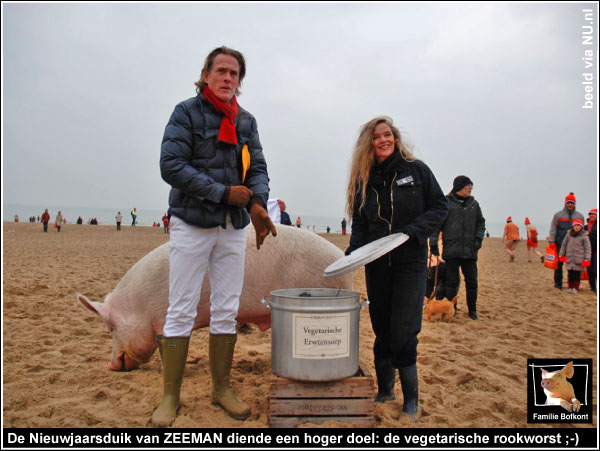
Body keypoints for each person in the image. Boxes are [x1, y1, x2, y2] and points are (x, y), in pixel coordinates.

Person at [155, 46, 276, 427]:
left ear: (240, 80)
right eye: (221, 71)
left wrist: (257, 204)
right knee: (181, 308)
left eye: (234, 73)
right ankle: (170, 396)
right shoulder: (185, 113)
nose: (228, 78)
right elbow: (171, 166)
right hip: (192, 223)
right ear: (206, 74)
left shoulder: (247, 121)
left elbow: (257, 167)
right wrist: (223, 193)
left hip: (232, 227)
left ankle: (221, 388)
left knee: (226, 308)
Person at [345, 116, 448, 418]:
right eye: (377, 137)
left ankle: (411, 400)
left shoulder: (416, 171)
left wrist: (415, 231)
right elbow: (361, 224)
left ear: (396, 137)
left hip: (409, 261)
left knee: (404, 330)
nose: (383, 140)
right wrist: (353, 254)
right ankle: (385, 388)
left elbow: (440, 206)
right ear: (370, 143)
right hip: (377, 262)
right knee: (382, 328)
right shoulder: (365, 178)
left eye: (388, 135)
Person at [430, 175, 485, 318]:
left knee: (472, 281)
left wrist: (478, 239)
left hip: (470, 250)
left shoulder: (474, 204)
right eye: (468, 186)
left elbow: (480, 222)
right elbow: (437, 224)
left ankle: (472, 311)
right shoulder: (447, 203)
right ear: (460, 186)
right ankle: (451, 309)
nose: (470, 189)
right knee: (451, 282)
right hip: (452, 250)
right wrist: (433, 242)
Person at [549, 193, 584, 290]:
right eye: (568, 202)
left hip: (574, 246)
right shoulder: (558, 215)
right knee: (558, 265)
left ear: (575, 204)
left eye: (572, 203)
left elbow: (582, 231)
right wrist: (551, 242)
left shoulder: (580, 216)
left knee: (573, 266)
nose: (570, 205)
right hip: (560, 244)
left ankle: (573, 285)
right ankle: (558, 284)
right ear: (565, 203)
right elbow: (553, 229)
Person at [559, 218, 591, 293]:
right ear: (573, 226)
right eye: (575, 225)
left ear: (581, 227)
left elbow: (587, 248)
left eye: (578, 225)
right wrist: (561, 255)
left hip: (579, 259)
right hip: (570, 258)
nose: (576, 227)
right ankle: (570, 287)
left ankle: (575, 288)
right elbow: (564, 245)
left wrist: (587, 259)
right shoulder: (569, 235)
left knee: (576, 275)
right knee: (570, 274)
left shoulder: (584, 236)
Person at [585, 208, 597, 293]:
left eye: (594, 214)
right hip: (588, 251)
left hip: (596, 251)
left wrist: (590, 234)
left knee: (596, 270)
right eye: (590, 214)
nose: (592, 215)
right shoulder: (586, 227)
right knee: (590, 270)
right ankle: (593, 288)